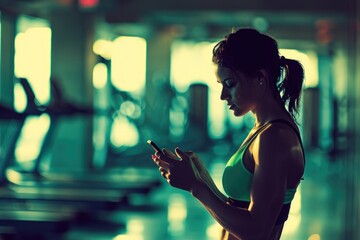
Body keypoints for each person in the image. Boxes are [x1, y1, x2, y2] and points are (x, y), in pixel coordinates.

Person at [151, 28, 305, 240]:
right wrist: (201, 178)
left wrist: (196, 187)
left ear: (260, 78)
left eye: (230, 84)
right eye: (221, 85)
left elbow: (256, 232)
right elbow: (239, 210)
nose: (223, 95)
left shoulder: (275, 137)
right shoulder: (262, 129)